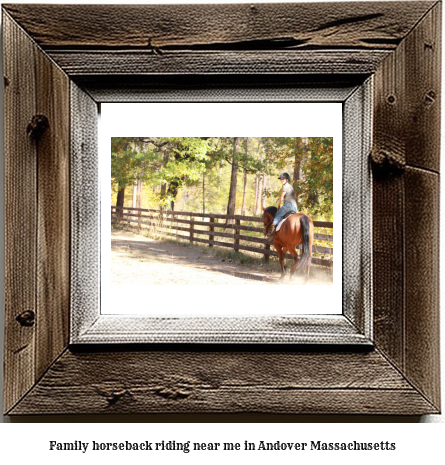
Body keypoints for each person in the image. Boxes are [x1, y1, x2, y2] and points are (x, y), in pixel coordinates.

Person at [266, 173, 298, 239]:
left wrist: (278, 206)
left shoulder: (285, 187)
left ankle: (271, 235)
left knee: (276, 218)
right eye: (281, 179)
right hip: (294, 206)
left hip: (287, 206)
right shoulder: (291, 187)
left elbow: (281, 198)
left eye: (283, 179)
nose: (282, 180)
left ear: (287, 179)